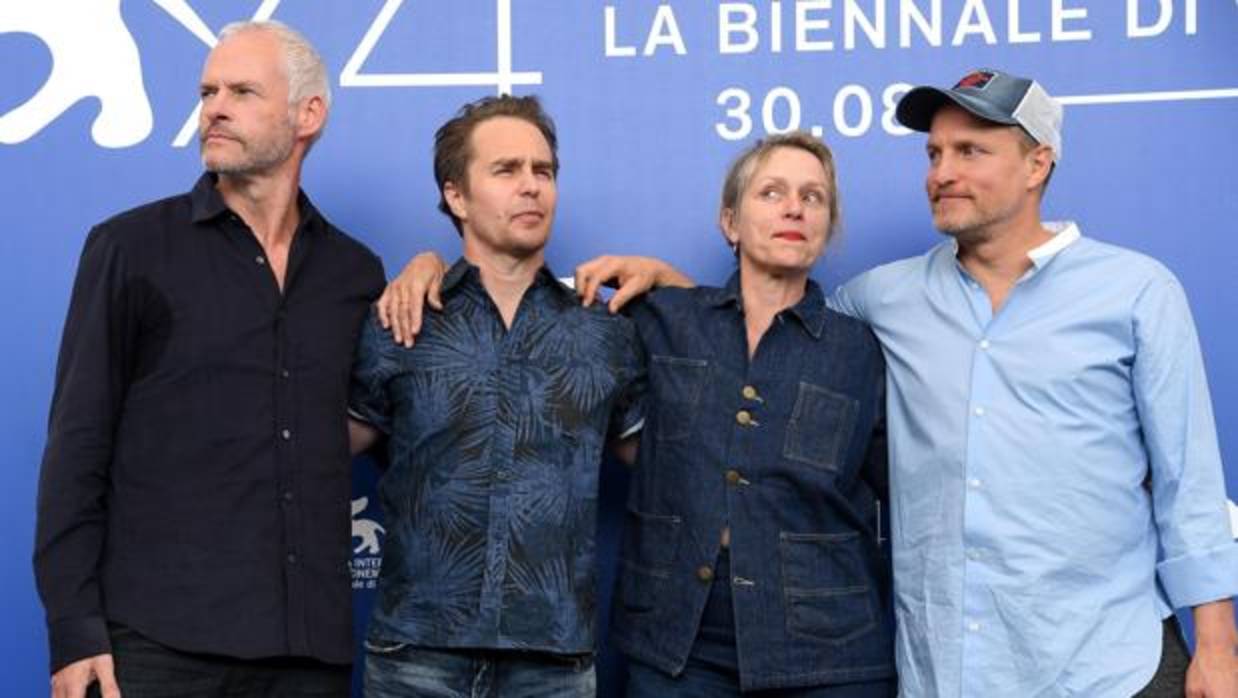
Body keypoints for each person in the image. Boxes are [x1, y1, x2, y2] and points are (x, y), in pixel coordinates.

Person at [568, 69, 1238, 697]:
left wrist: (1218, 644)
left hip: (1108, 663)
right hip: (953, 667)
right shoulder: (882, 300)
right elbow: (767, 328)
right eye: (934, 154)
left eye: (971, 151)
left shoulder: (1135, 292)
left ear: (1038, 164)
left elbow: (1190, 482)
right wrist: (672, 287)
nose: (943, 174)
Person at [373, 132, 895, 695]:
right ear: (729, 222)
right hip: (677, 646)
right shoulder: (659, 320)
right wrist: (428, 265)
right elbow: (518, 299)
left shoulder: (864, 349)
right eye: (771, 192)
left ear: (829, 224)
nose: (795, 207)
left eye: (814, 197)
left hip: (827, 651)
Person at [34, 21, 384, 698]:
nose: (214, 107)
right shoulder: (130, 249)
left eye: (243, 91)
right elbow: (77, 446)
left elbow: (390, 427)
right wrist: (75, 630)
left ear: (308, 115)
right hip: (160, 645)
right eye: (207, 90)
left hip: (306, 652)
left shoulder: (354, 273)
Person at [346, 94, 645, 697]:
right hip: (417, 655)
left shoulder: (603, 330)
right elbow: (310, 453)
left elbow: (674, 463)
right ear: (456, 195)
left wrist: (672, 282)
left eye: (544, 172)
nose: (531, 187)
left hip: (554, 662)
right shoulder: (401, 318)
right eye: (506, 170)